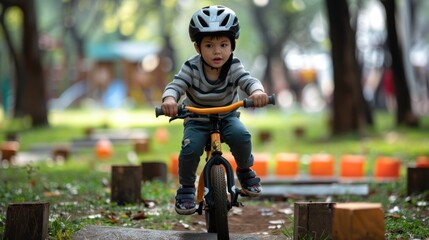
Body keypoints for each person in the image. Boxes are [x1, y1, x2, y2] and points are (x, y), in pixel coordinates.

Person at [160, 5, 269, 215]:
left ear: (232, 45)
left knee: (242, 135)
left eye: (223, 44)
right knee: (190, 149)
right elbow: (176, 85)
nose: (217, 51)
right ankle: (187, 188)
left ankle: (245, 172)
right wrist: (170, 99)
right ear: (197, 47)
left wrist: (257, 92)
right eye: (209, 45)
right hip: (196, 118)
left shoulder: (233, 66)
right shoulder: (191, 68)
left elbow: (248, 80)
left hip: (227, 116)